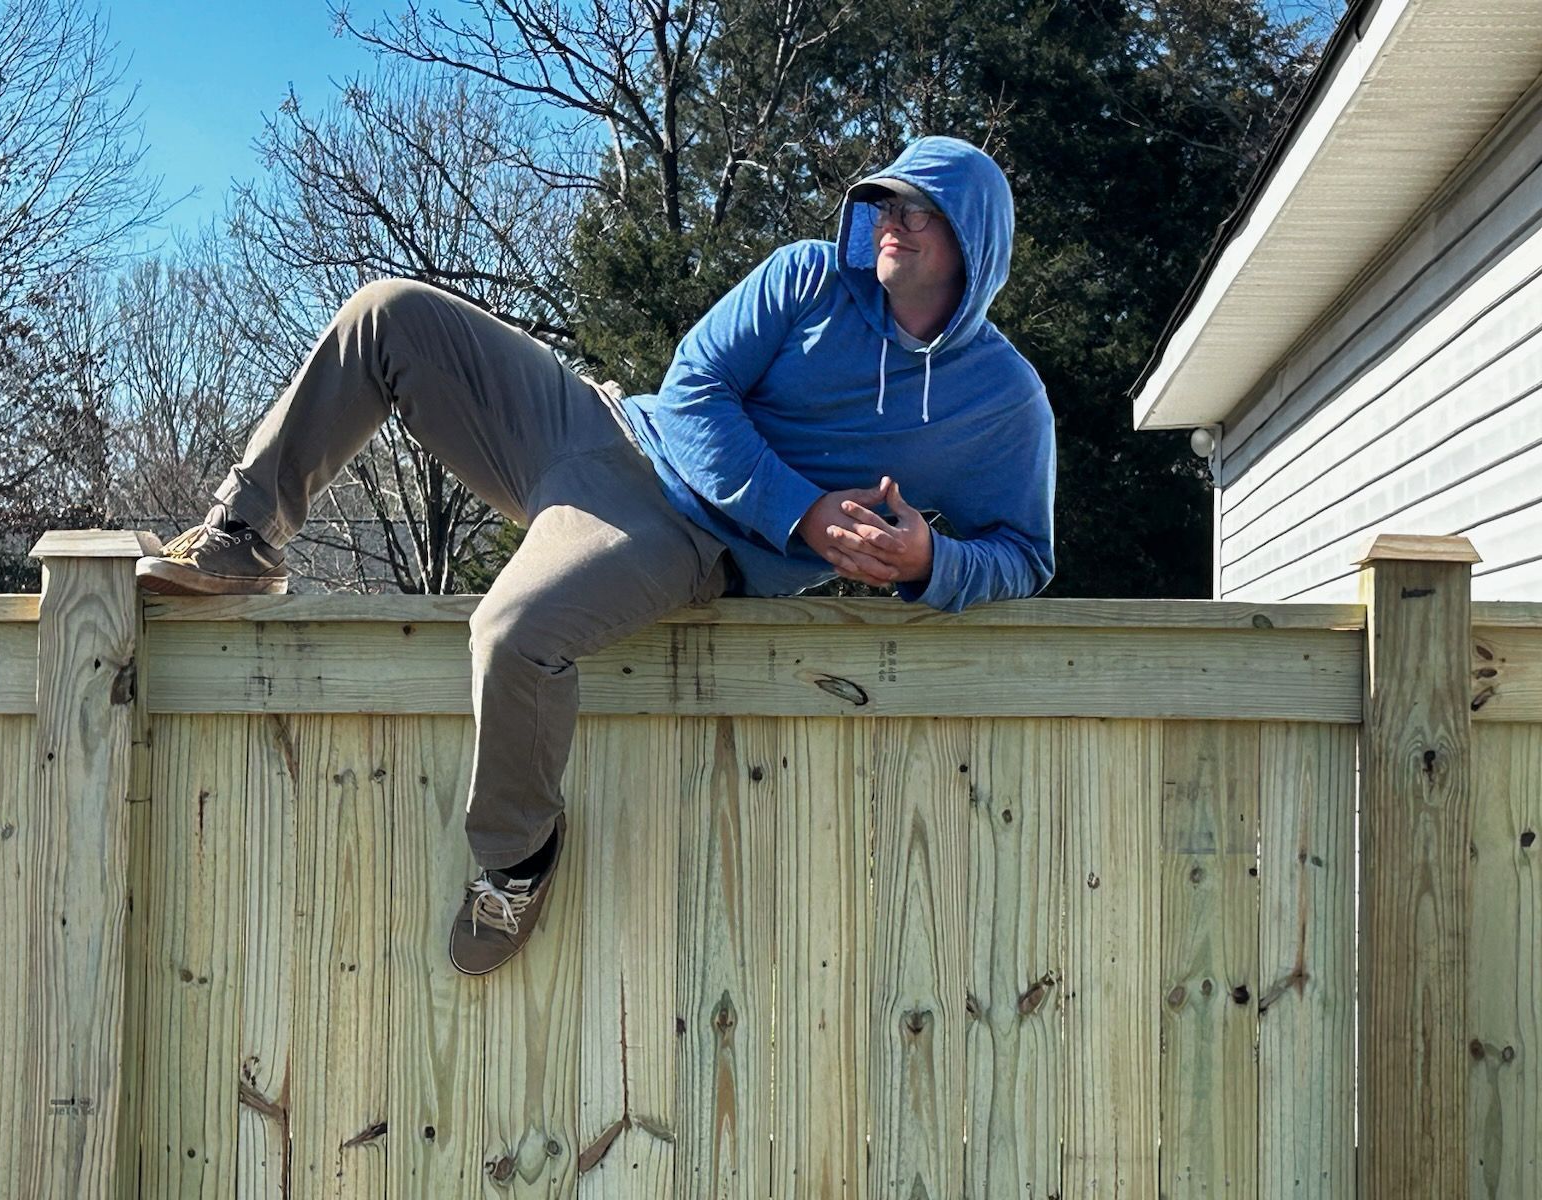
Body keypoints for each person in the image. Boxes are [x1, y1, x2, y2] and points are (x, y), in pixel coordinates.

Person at [135, 134, 1056, 976]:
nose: (891, 223)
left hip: (681, 534)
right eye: (884, 203)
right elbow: (694, 393)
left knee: (514, 633)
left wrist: (934, 560)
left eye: (918, 210)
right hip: (597, 424)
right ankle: (242, 536)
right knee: (390, 313)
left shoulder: (1000, 402)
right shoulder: (807, 279)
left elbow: (1024, 552)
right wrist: (808, 514)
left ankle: (515, 857)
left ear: (970, 239)